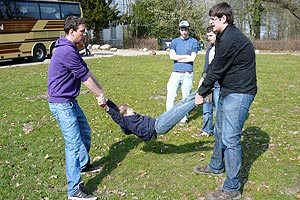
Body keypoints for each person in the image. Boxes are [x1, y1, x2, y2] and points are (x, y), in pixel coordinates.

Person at [194, 2, 257, 200]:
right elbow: (215, 66)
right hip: (228, 90)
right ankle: (215, 166)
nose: (210, 23)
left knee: (230, 139)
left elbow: (217, 68)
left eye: (213, 19)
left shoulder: (231, 39)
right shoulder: (223, 37)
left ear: (223, 19)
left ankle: (232, 189)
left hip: (240, 92)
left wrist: (201, 93)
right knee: (220, 130)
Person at [48, 16, 107, 200]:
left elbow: (87, 71)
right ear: (71, 32)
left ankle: (83, 165)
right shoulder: (65, 51)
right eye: (82, 31)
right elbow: (84, 78)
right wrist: (99, 95)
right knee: (73, 144)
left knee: (85, 133)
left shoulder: (71, 48)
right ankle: (74, 190)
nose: (84, 34)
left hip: (70, 100)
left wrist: (102, 90)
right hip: (61, 103)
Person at [101, 91, 198, 142]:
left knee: (180, 104)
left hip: (158, 120)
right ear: (125, 115)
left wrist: (106, 100)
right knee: (180, 110)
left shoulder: (128, 118)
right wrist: (106, 108)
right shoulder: (126, 122)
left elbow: (116, 109)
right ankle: (201, 97)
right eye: (129, 109)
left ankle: (201, 90)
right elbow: (117, 116)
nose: (132, 109)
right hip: (158, 127)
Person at [166, 20, 199, 124]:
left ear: (188, 30)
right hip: (176, 73)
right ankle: (168, 118)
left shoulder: (194, 41)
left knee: (186, 97)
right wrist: (186, 56)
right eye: (182, 30)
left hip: (188, 74)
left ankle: (183, 118)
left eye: (186, 30)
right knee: (171, 95)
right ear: (179, 30)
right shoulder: (175, 42)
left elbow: (192, 58)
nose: (184, 32)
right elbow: (172, 57)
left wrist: (178, 58)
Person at [197, 26, 220, 137]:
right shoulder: (209, 49)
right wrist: (203, 78)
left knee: (220, 111)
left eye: (211, 36)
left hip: (219, 85)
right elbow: (207, 67)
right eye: (208, 36)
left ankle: (218, 132)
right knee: (206, 108)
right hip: (208, 85)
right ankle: (206, 130)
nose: (209, 38)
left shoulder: (222, 49)